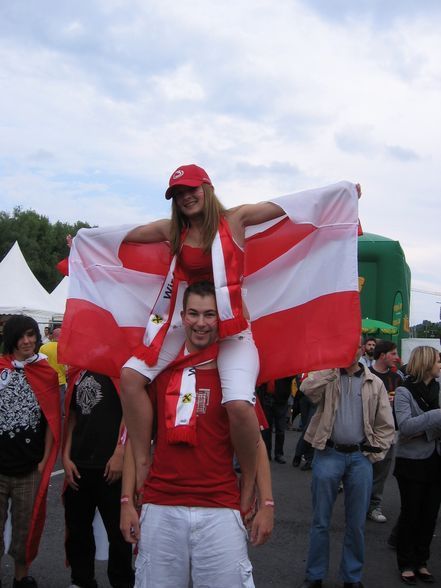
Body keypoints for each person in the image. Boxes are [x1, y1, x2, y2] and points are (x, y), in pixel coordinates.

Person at [120, 164, 286, 513]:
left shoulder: (236, 219)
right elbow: (129, 235)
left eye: (191, 189)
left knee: (239, 406)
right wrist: (86, 240)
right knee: (130, 377)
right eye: (178, 194)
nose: (186, 197)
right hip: (190, 322)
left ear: (207, 189)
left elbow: (285, 206)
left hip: (232, 328)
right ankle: (142, 461)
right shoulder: (173, 231)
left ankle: (249, 481)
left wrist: (341, 194)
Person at [120, 281, 274, 588]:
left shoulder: (234, 378)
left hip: (220, 507)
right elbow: (136, 441)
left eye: (209, 315)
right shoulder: (159, 373)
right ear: (182, 315)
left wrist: (267, 504)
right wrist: (126, 500)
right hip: (161, 504)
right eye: (193, 314)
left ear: (220, 319)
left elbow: (255, 445)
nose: (201, 323)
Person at [298, 336, 395, 588]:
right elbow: (306, 389)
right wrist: (333, 366)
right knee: (320, 520)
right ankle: (315, 575)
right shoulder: (329, 375)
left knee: (356, 523)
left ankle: (352, 577)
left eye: (354, 346)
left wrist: (376, 453)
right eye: (344, 345)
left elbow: (386, 424)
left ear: (363, 349)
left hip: (359, 457)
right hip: (328, 453)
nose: (349, 351)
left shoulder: (374, 383)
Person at [0, 315, 61, 588]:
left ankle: (21, 577)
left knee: (27, 527)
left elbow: (51, 421)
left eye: (31, 335)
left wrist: (46, 459)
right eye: (21, 336)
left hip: (29, 467)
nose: (27, 341)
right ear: (11, 339)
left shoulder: (45, 372)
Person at [62, 369, 134, 588]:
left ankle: (121, 582)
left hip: (110, 466)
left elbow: (131, 411)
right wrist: (65, 457)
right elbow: (72, 417)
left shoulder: (120, 369)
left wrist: (120, 452)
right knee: (78, 531)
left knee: (119, 534)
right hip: (78, 465)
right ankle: (82, 580)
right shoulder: (78, 372)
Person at [393, 346, 441, 585]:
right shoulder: (404, 391)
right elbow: (405, 427)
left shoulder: (438, 389)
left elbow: (416, 427)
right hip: (411, 462)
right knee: (411, 514)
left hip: (436, 460)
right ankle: (406, 563)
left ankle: (422, 561)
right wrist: (436, 417)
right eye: (438, 361)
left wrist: (424, 429)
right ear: (427, 363)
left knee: (429, 516)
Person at [367, 340, 403, 523]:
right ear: (383, 355)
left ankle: (374, 505)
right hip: (368, 431)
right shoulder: (367, 375)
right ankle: (360, 504)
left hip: (389, 431)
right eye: (393, 354)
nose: (397, 358)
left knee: (381, 471)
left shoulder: (398, 379)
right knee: (364, 470)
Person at [257, 377, 292, 463]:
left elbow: (291, 375)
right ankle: (266, 453)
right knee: (266, 429)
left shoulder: (284, 366)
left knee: (280, 428)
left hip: (280, 399)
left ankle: (279, 454)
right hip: (266, 397)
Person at [40, 327, 67, 415]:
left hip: (46, 382)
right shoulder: (64, 348)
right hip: (60, 381)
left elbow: (40, 364)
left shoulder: (43, 347)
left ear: (52, 336)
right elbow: (67, 368)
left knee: (47, 406)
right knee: (60, 406)